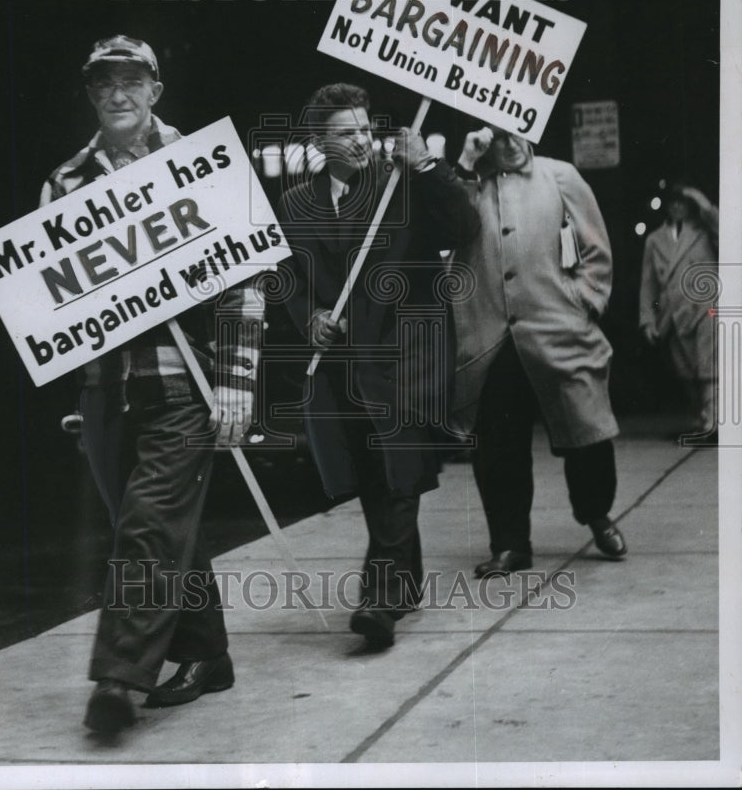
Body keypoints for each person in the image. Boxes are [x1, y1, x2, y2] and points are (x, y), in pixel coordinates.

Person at [41, 36, 263, 734]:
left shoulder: (201, 164)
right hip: (107, 390)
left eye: (131, 80)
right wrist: (81, 395)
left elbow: (243, 281)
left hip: (182, 384)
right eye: (104, 83)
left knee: (144, 530)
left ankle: (118, 681)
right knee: (157, 528)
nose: (118, 94)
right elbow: (55, 297)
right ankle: (209, 656)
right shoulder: (64, 183)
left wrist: (235, 382)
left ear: (155, 89)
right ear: (89, 93)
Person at [276, 83, 480, 648]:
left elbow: (464, 229)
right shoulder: (294, 205)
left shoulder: (401, 185)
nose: (363, 141)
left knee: (397, 471)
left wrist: (429, 166)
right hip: (343, 367)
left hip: (405, 358)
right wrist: (310, 316)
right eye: (347, 133)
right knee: (374, 477)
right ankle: (406, 580)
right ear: (319, 140)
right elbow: (287, 279)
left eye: (367, 130)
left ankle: (380, 599)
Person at [451, 125, 627, 578]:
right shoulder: (469, 185)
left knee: (586, 431)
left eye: (513, 130)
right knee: (498, 449)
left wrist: (585, 299)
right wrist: (466, 166)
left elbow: (596, 248)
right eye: (493, 131)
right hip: (493, 337)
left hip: (559, 327)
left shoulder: (560, 176)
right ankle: (510, 544)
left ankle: (597, 514)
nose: (504, 140)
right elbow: (446, 229)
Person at [639, 183, 718, 440]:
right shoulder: (654, 239)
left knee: (709, 369)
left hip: (706, 309)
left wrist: (703, 202)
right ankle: (700, 419)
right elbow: (648, 283)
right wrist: (648, 319)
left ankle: (711, 422)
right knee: (686, 373)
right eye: (673, 203)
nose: (677, 207)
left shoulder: (705, 231)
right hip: (673, 314)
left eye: (683, 203)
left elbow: (728, 232)